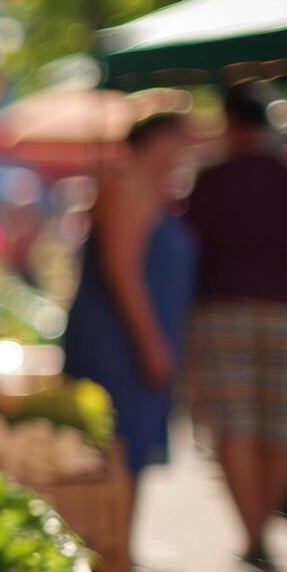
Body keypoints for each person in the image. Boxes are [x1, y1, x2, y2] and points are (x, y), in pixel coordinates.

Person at [185, 86, 287, 568]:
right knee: (281, 425)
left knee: (233, 426)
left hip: (222, 313)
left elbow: (187, 247)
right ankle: (263, 531)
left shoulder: (212, 179)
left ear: (232, 124)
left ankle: (253, 533)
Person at [62, 112, 197, 491]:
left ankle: (121, 547)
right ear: (159, 140)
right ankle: (114, 547)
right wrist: (150, 343)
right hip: (119, 339)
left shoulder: (148, 190)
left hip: (135, 337)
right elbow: (121, 270)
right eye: (182, 139)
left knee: (131, 450)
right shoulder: (127, 187)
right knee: (117, 446)